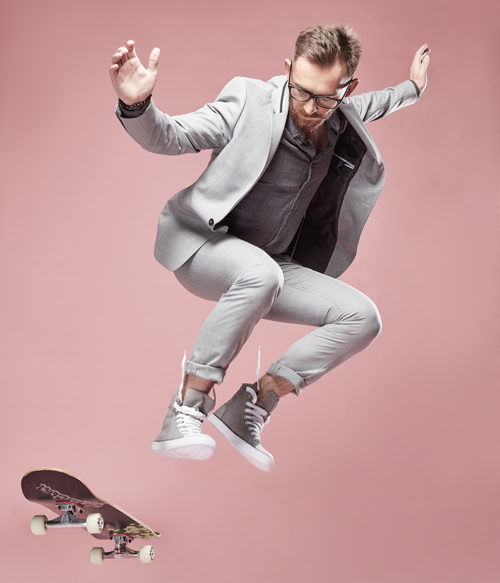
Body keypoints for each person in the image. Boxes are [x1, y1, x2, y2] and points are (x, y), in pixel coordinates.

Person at [110, 25, 430, 471]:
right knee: (262, 274)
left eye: (325, 98)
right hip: (207, 247)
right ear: (288, 70)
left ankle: (251, 406)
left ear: (347, 88)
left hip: (272, 266)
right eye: (300, 91)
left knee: (363, 318)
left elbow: (380, 103)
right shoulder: (249, 100)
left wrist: (413, 87)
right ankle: (186, 407)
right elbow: (173, 135)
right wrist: (136, 104)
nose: (310, 107)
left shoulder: (342, 114)